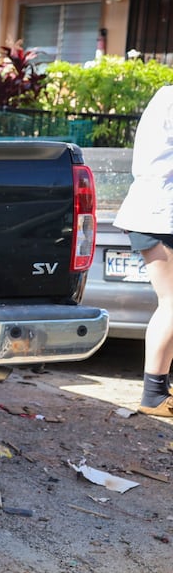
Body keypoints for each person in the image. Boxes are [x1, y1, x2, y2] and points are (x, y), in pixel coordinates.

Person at [115, 84, 173, 416]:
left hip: (156, 209)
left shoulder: (164, 96)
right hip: (160, 213)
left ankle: (158, 389)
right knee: (171, 303)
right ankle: (153, 394)